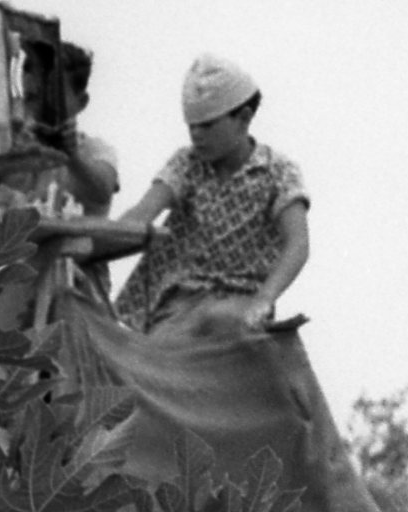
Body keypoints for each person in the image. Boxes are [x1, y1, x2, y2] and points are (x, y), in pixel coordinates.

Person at [62, 56, 307, 333]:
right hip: (178, 301)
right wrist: (80, 248)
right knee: (152, 353)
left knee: (224, 325)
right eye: (192, 127)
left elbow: (297, 244)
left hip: (240, 300)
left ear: (243, 119)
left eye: (208, 125)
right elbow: (140, 215)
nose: (197, 136)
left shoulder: (278, 172)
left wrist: (264, 299)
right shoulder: (187, 164)